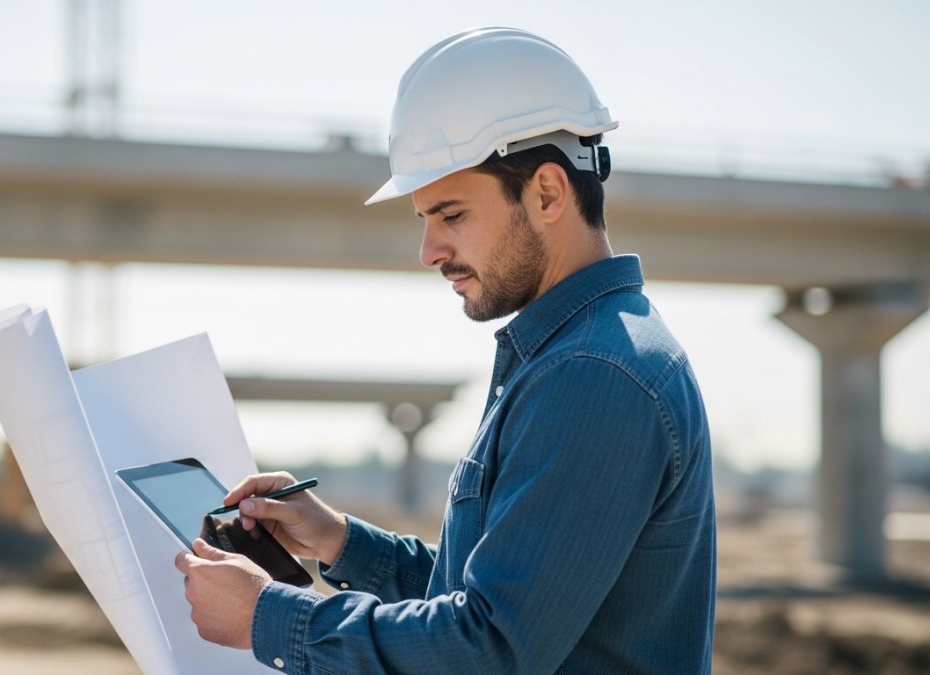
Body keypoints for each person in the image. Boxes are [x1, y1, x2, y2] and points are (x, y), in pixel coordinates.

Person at [175, 27, 716, 674]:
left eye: (452, 215)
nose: (429, 251)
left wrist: (272, 617)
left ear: (547, 192)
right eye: (425, 219)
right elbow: (498, 594)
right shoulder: (586, 354)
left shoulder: (592, 374)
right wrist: (341, 541)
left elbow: (488, 647)